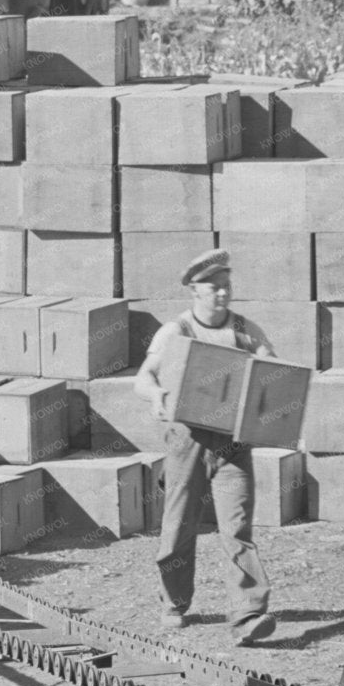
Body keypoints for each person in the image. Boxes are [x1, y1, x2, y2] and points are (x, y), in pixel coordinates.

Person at [132, 249, 279, 644]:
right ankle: (174, 602)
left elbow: (272, 372)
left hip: (233, 443)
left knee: (237, 527)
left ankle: (249, 614)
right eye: (214, 287)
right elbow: (143, 378)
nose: (222, 294)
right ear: (195, 291)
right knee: (179, 525)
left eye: (227, 286)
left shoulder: (247, 331)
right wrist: (158, 395)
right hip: (188, 440)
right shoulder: (175, 331)